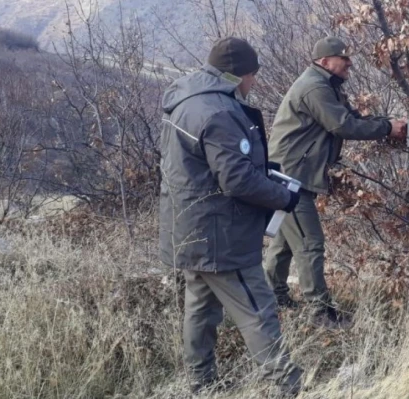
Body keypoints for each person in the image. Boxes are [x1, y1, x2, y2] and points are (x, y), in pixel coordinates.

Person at [159, 37, 303, 395]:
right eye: (253, 75)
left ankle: (201, 383)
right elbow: (236, 179)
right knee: (258, 309)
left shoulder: (186, 100)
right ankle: (287, 385)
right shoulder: (220, 112)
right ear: (238, 75)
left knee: (201, 308)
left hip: (189, 228)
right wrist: (283, 197)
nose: (254, 83)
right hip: (221, 235)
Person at [263, 36, 407, 327]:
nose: (350, 63)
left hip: (288, 175)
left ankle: (272, 300)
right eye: (344, 58)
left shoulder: (326, 85)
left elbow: (351, 117)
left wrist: (387, 123)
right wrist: (388, 128)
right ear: (325, 61)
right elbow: (343, 126)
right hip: (291, 179)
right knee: (309, 243)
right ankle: (320, 313)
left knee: (285, 243)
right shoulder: (315, 87)